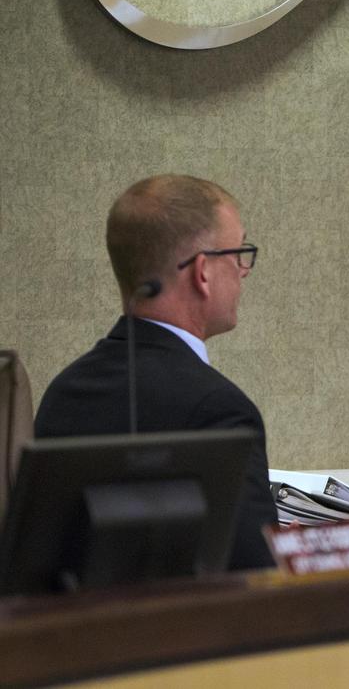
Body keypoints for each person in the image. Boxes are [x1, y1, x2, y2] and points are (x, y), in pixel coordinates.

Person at [34, 174, 277, 570]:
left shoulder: (64, 392)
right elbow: (256, 574)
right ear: (202, 272)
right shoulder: (219, 409)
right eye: (238, 253)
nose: (244, 270)